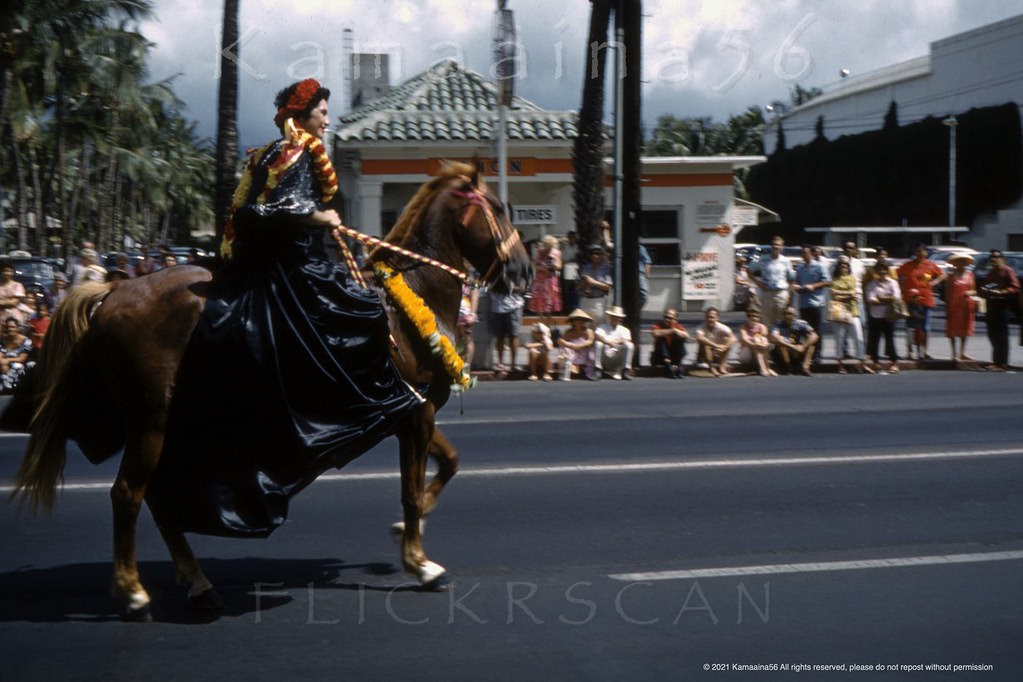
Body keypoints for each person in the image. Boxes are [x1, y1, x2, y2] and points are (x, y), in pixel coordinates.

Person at [155, 78, 424, 537]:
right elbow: (270, 210)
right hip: (291, 266)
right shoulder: (296, 153)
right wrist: (319, 216)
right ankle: (365, 404)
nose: (327, 118)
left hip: (268, 259)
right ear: (303, 115)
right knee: (364, 312)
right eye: (322, 111)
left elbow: (249, 209)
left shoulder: (266, 154)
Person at [896, 244, 946, 360]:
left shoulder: (930, 265)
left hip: (926, 299)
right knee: (910, 327)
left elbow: (943, 275)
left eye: (922, 252)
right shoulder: (908, 265)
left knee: (925, 327)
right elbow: (895, 274)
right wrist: (901, 287)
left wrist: (934, 283)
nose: (920, 254)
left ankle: (924, 351)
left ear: (926, 253)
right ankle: (909, 352)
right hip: (910, 299)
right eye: (917, 252)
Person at [978, 249, 1021, 371]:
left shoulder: (1007, 270)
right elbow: (986, 287)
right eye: (992, 257)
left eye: (996, 257)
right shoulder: (990, 272)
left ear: (1002, 258)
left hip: (1003, 304)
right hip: (991, 304)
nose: (993, 259)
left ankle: (1002, 363)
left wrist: (1002, 291)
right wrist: (984, 291)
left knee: (1002, 336)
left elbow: (1015, 287)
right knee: (993, 334)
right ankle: (995, 361)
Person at [830, 258, 873, 374]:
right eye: (842, 266)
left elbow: (854, 293)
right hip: (839, 311)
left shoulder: (852, 279)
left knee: (858, 337)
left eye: (846, 266)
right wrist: (848, 294)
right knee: (839, 338)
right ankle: (840, 364)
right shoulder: (834, 279)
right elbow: (834, 295)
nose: (844, 268)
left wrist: (842, 293)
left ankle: (861, 363)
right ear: (838, 268)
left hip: (853, 311)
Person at [793, 244, 830, 364]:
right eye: (802, 253)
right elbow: (796, 282)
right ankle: (806, 353)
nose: (804, 255)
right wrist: (796, 286)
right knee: (804, 329)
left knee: (816, 330)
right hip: (804, 303)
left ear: (811, 254)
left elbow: (827, 281)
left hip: (816, 302)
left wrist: (813, 286)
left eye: (806, 253)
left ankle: (817, 354)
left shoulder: (819, 266)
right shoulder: (800, 268)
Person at [865, 260, 902, 373]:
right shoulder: (872, 284)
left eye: (884, 270)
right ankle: (875, 362)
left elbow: (896, 298)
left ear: (887, 271)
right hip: (875, 315)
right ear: (876, 271)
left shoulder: (892, 283)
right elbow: (871, 299)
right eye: (879, 270)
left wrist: (880, 298)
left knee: (889, 340)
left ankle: (894, 363)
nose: (882, 272)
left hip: (889, 316)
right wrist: (887, 299)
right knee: (874, 340)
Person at [752, 236, 794, 331]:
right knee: (767, 321)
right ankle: (769, 345)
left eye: (778, 245)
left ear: (782, 247)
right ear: (771, 246)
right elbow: (749, 270)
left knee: (781, 321)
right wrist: (758, 282)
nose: (775, 247)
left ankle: (780, 344)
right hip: (767, 294)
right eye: (774, 245)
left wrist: (790, 296)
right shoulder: (763, 259)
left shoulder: (786, 261)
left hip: (781, 294)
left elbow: (791, 279)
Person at [943, 253, 977, 362]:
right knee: (952, 329)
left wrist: (969, 292)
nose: (961, 264)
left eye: (963, 261)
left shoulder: (970, 275)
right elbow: (947, 292)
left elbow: (974, 290)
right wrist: (946, 306)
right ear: (954, 264)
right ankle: (954, 354)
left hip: (966, 305)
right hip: (954, 305)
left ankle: (962, 352)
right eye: (958, 262)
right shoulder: (951, 276)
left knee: (965, 329)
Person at [769, 305, 819, 376]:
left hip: (797, 351)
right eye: (785, 313)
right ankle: (788, 367)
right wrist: (792, 347)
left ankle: (805, 368)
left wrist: (803, 347)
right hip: (785, 351)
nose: (786, 316)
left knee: (811, 343)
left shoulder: (801, 323)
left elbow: (815, 336)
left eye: (789, 314)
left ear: (794, 315)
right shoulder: (778, 323)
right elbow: (773, 338)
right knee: (780, 339)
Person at [490, 287, 525, 378]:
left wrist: (511, 287)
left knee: (513, 335)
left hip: (515, 304)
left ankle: (513, 364)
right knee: (499, 336)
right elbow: (489, 285)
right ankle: (500, 363)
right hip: (497, 305)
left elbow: (523, 287)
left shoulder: (518, 272)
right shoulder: (495, 272)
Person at [594, 305, 635, 380]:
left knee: (630, 345)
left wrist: (618, 341)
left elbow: (628, 340)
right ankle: (598, 370)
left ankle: (625, 370)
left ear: (620, 318)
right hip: (605, 356)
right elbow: (597, 336)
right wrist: (608, 342)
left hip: (617, 355)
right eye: (613, 316)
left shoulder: (625, 330)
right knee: (598, 343)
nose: (615, 318)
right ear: (609, 317)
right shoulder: (602, 326)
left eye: (617, 317)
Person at [528, 234, 562, 322]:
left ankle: (548, 323)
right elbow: (535, 265)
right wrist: (542, 268)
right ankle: (540, 321)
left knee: (549, 301)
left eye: (550, 245)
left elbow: (559, 266)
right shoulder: (540, 252)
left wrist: (553, 265)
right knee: (540, 301)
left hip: (550, 280)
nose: (548, 247)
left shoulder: (556, 253)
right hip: (540, 279)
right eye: (546, 244)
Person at [557, 308, 597, 381]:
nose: (579, 321)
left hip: (584, 352)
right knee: (564, 350)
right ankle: (566, 371)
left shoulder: (588, 331)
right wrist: (570, 345)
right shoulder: (568, 331)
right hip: (572, 352)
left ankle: (589, 372)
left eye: (581, 320)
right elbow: (560, 340)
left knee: (592, 353)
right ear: (573, 321)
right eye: (577, 319)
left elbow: (590, 341)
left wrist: (578, 346)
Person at [695, 307, 735, 377]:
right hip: (704, 354)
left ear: (717, 318)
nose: (710, 319)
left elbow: (733, 338)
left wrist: (724, 347)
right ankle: (711, 367)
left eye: (712, 317)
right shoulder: (701, 327)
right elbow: (700, 337)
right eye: (708, 317)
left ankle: (722, 366)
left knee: (727, 341)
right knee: (705, 345)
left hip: (718, 352)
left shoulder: (722, 327)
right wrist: (716, 346)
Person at [650, 307, 688, 378]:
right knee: (661, 338)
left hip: (674, 356)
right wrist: (673, 331)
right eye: (665, 317)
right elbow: (655, 333)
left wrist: (676, 331)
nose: (667, 320)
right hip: (660, 357)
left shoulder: (677, 326)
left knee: (680, 339)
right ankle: (668, 365)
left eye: (670, 318)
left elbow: (686, 335)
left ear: (675, 319)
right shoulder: (659, 325)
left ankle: (677, 365)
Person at [578, 244, 613, 321]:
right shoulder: (586, 267)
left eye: (597, 253)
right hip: (585, 299)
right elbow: (579, 286)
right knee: (584, 325)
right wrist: (584, 281)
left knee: (598, 325)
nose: (595, 256)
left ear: (602, 255)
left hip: (598, 301)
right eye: (592, 253)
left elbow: (608, 287)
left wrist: (593, 282)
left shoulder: (606, 268)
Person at [737, 308, 775, 377]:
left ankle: (766, 368)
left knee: (761, 339)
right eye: (750, 316)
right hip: (746, 354)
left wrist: (759, 344)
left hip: (759, 351)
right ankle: (764, 368)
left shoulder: (762, 327)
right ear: (748, 317)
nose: (753, 318)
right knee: (756, 340)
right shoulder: (743, 327)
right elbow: (745, 339)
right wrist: (756, 344)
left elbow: (764, 337)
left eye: (756, 316)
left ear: (759, 318)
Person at [0, 317, 33, 393]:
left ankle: (12, 388)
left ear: (18, 328)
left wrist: (7, 360)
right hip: (3, 364)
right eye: (8, 327)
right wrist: (2, 362)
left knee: (17, 366)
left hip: (19, 364)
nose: (10, 329)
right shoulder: (2, 340)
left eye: (12, 327)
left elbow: (22, 358)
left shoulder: (26, 341)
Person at [0, 263, 27, 328]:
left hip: (14, 317)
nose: (7, 273)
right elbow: (11, 301)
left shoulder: (18, 285)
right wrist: (9, 301)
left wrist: (2, 302)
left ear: (13, 273)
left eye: (9, 271)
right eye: (5, 271)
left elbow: (14, 303)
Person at [560, 231, 580, 313]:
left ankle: (574, 308)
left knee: (574, 289)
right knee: (565, 290)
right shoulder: (564, 245)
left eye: (573, 237)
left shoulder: (578, 246)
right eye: (570, 237)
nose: (572, 239)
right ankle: (566, 309)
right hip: (565, 268)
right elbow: (561, 257)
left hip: (575, 268)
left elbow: (578, 258)